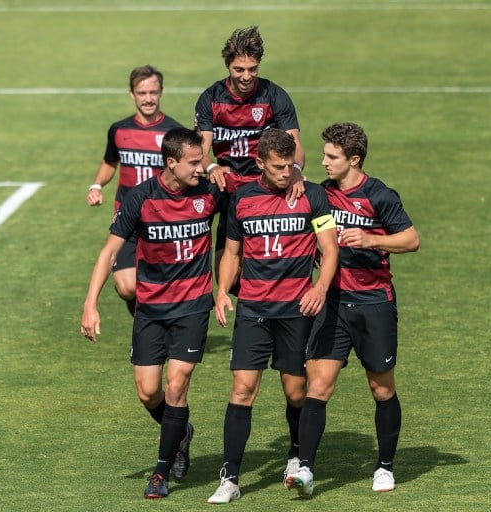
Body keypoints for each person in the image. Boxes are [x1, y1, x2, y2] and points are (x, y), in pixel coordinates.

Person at [81, 128, 223, 500]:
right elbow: (109, 252)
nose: (200, 167)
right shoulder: (141, 198)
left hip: (192, 306)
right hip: (151, 309)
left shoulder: (210, 190)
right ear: (171, 163)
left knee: (177, 385)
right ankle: (182, 432)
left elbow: (258, 196)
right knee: (148, 393)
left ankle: (160, 472)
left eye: (202, 160)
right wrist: (90, 304)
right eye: (194, 162)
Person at [284, 123, 420, 498]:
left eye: (332, 157)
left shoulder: (379, 195)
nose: (324, 162)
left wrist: (373, 239)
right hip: (332, 304)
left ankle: (385, 467)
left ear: (354, 160)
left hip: (374, 303)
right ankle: (306, 468)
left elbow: (411, 239)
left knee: (380, 388)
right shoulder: (321, 195)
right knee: (319, 384)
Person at [206, 128, 339, 504]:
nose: (287, 171)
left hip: (296, 310)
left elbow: (329, 250)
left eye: (291, 165)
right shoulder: (242, 199)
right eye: (279, 166)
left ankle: (296, 456)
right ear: (260, 163)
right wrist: (221, 291)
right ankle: (230, 478)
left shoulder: (312, 194)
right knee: (242, 389)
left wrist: (320, 289)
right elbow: (232, 252)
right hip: (253, 309)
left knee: (296, 392)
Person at [194, 26, 306, 280]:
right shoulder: (210, 98)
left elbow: (295, 145)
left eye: (252, 69)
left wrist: (296, 171)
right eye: (239, 69)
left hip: (265, 185)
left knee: (270, 268)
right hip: (228, 188)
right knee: (228, 277)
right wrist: (211, 167)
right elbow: (200, 150)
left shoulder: (274, 95)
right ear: (228, 66)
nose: (246, 76)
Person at [86, 64, 183, 316]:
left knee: (164, 286)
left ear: (161, 92)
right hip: (127, 219)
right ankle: (144, 319)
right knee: (128, 287)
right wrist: (97, 186)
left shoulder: (174, 133)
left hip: (162, 220)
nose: (148, 99)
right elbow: (110, 162)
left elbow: (190, 166)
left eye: (153, 92)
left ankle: (156, 330)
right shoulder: (119, 130)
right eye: (142, 93)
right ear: (132, 94)